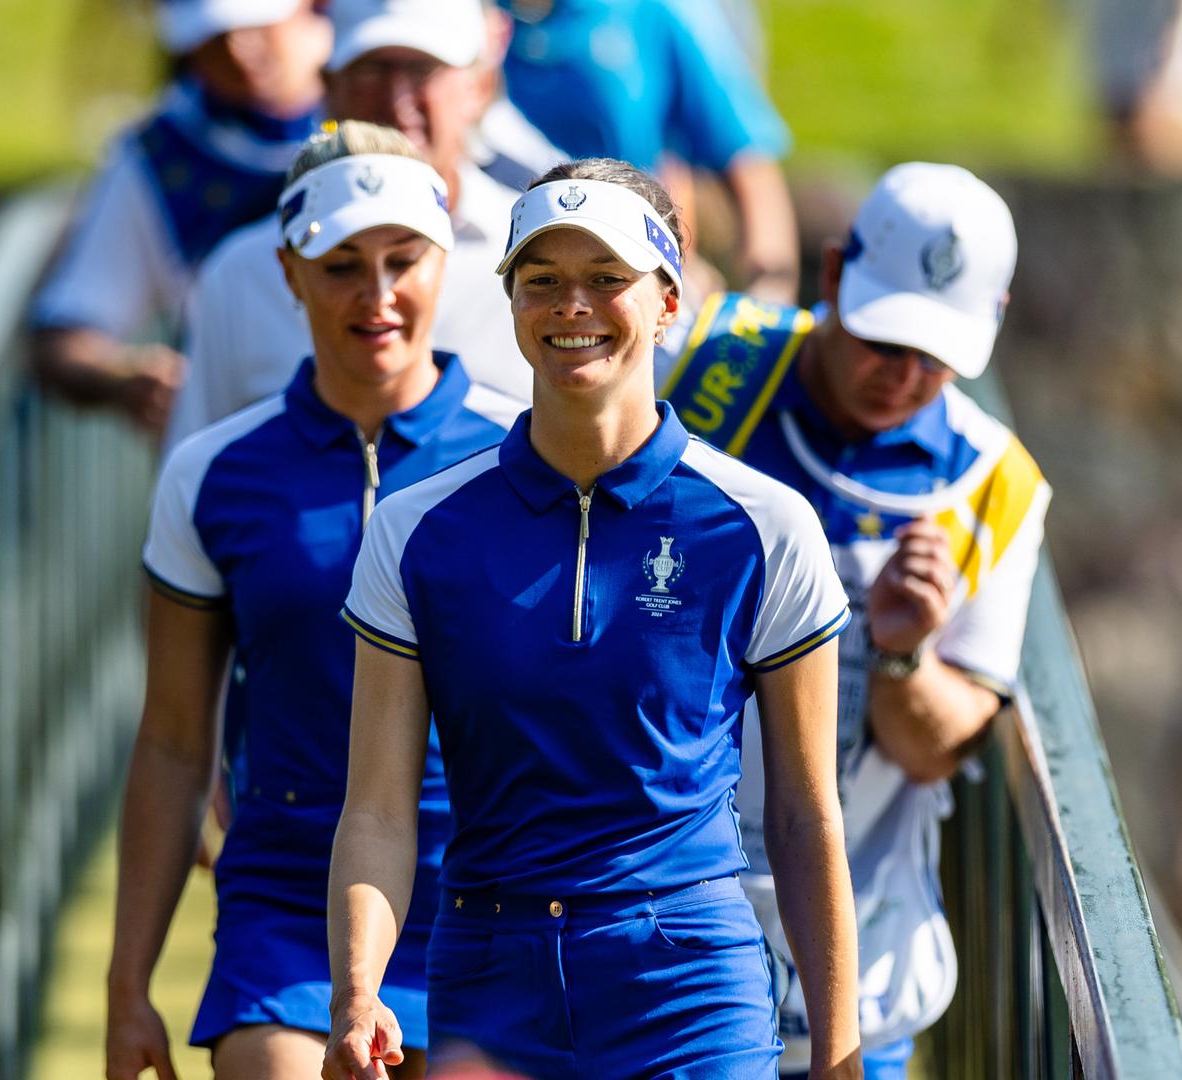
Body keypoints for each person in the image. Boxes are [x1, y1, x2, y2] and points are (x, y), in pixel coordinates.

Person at [327, 159, 863, 1080]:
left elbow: (806, 817)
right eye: (543, 282)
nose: (572, 305)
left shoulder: (764, 525)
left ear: (666, 302)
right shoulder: (415, 530)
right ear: (511, 304)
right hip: (488, 973)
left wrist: (840, 1049)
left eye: (607, 279)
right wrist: (358, 992)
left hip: (690, 978)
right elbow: (376, 807)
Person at [108, 123, 519, 1080]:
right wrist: (128, 990)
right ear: (288, 273)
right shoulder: (213, 475)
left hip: (492, 892)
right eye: (341, 267)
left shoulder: (524, 458)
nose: (377, 297)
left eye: (402, 260)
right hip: (288, 894)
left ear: (444, 258)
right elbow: (172, 738)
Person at [657, 163, 1052, 1078]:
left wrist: (906, 654)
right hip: (660, 921)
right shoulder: (707, 363)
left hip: (851, 962)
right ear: (832, 274)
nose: (903, 375)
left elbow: (937, 746)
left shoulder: (994, 484)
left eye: (936, 354)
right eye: (884, 338)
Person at [166, 0, 535, 449]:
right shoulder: (240, 272)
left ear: (481, 85)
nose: (397, 101)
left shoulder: (545, 251)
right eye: (371, 69)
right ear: (327, 86)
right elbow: (198, 476)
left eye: (423, 69)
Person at [27, 0, 328, 432]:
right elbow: (68, 329)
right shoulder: (161, 156)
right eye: (214, 37)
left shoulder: (395, 104)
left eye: (256, 25)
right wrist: (125, 379)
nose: (238, 51)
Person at [496, 0, 799, 302]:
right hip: (504, 271)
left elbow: (749, 164)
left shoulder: (654, 10)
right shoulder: (470, 16)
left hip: (642, 273)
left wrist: (767, 308)